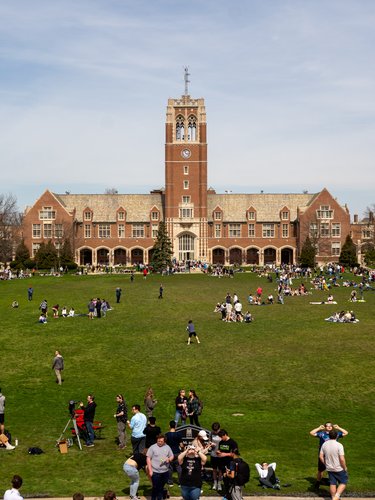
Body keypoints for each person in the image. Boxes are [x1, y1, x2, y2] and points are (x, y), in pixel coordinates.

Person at [310, 422, 348, 486]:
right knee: (321, 470)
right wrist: (319, 428)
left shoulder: (335, 434)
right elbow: (311, 433)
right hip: (323, 455)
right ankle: (318, 483)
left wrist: (338, 428)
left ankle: (334, 482)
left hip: (333, 455)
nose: (329, 427)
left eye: (330, 426)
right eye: (327, 426)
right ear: (325, 427)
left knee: (334, 468)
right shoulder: (322, 434)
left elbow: (346, 433)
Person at [319, 429, 348, 500]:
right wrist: (344, 467)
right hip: (338, 468)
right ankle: (336, 497)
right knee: (343, 482)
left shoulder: (324, 444)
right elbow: (342, 459)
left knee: (332, 483)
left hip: (329, 467)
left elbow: (320, 456)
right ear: (337, 435)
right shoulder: (339, 445)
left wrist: (325, 463)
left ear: (329, 435)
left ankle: (333, 497)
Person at [147, 434, 174, 500]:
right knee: (155, 487)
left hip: (165, 472)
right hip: (155, 472)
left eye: (161, 441)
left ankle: (160, 498)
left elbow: (172, 456)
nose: (159, 442)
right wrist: (150, 471)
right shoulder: (152, 447)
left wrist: (169, 459)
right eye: (158, 441)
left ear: (164, 441)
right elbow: (148, 458)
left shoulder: (167, 447)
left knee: (161, 487)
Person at [165, 420, 183, 485]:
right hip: (177, 452)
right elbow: (181, 445)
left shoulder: (166, 435)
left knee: (170, 467)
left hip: (169, 453)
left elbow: (165, 445)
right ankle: (180, 482)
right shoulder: (178, 434)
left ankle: (170, 482)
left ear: (169, 426)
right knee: (178, 467)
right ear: (175, 426)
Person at [210, 422, 222, 491]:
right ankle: (215, 483)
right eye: (214, 430)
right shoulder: (211, 433)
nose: (215, 432)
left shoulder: (222, 434)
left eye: (216, 430)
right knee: (214, 470)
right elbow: (209, 441)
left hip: (220, 455)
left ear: (219, 429)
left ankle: (219, 484)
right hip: (213, 454)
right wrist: (211, 444)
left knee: (220, 470)